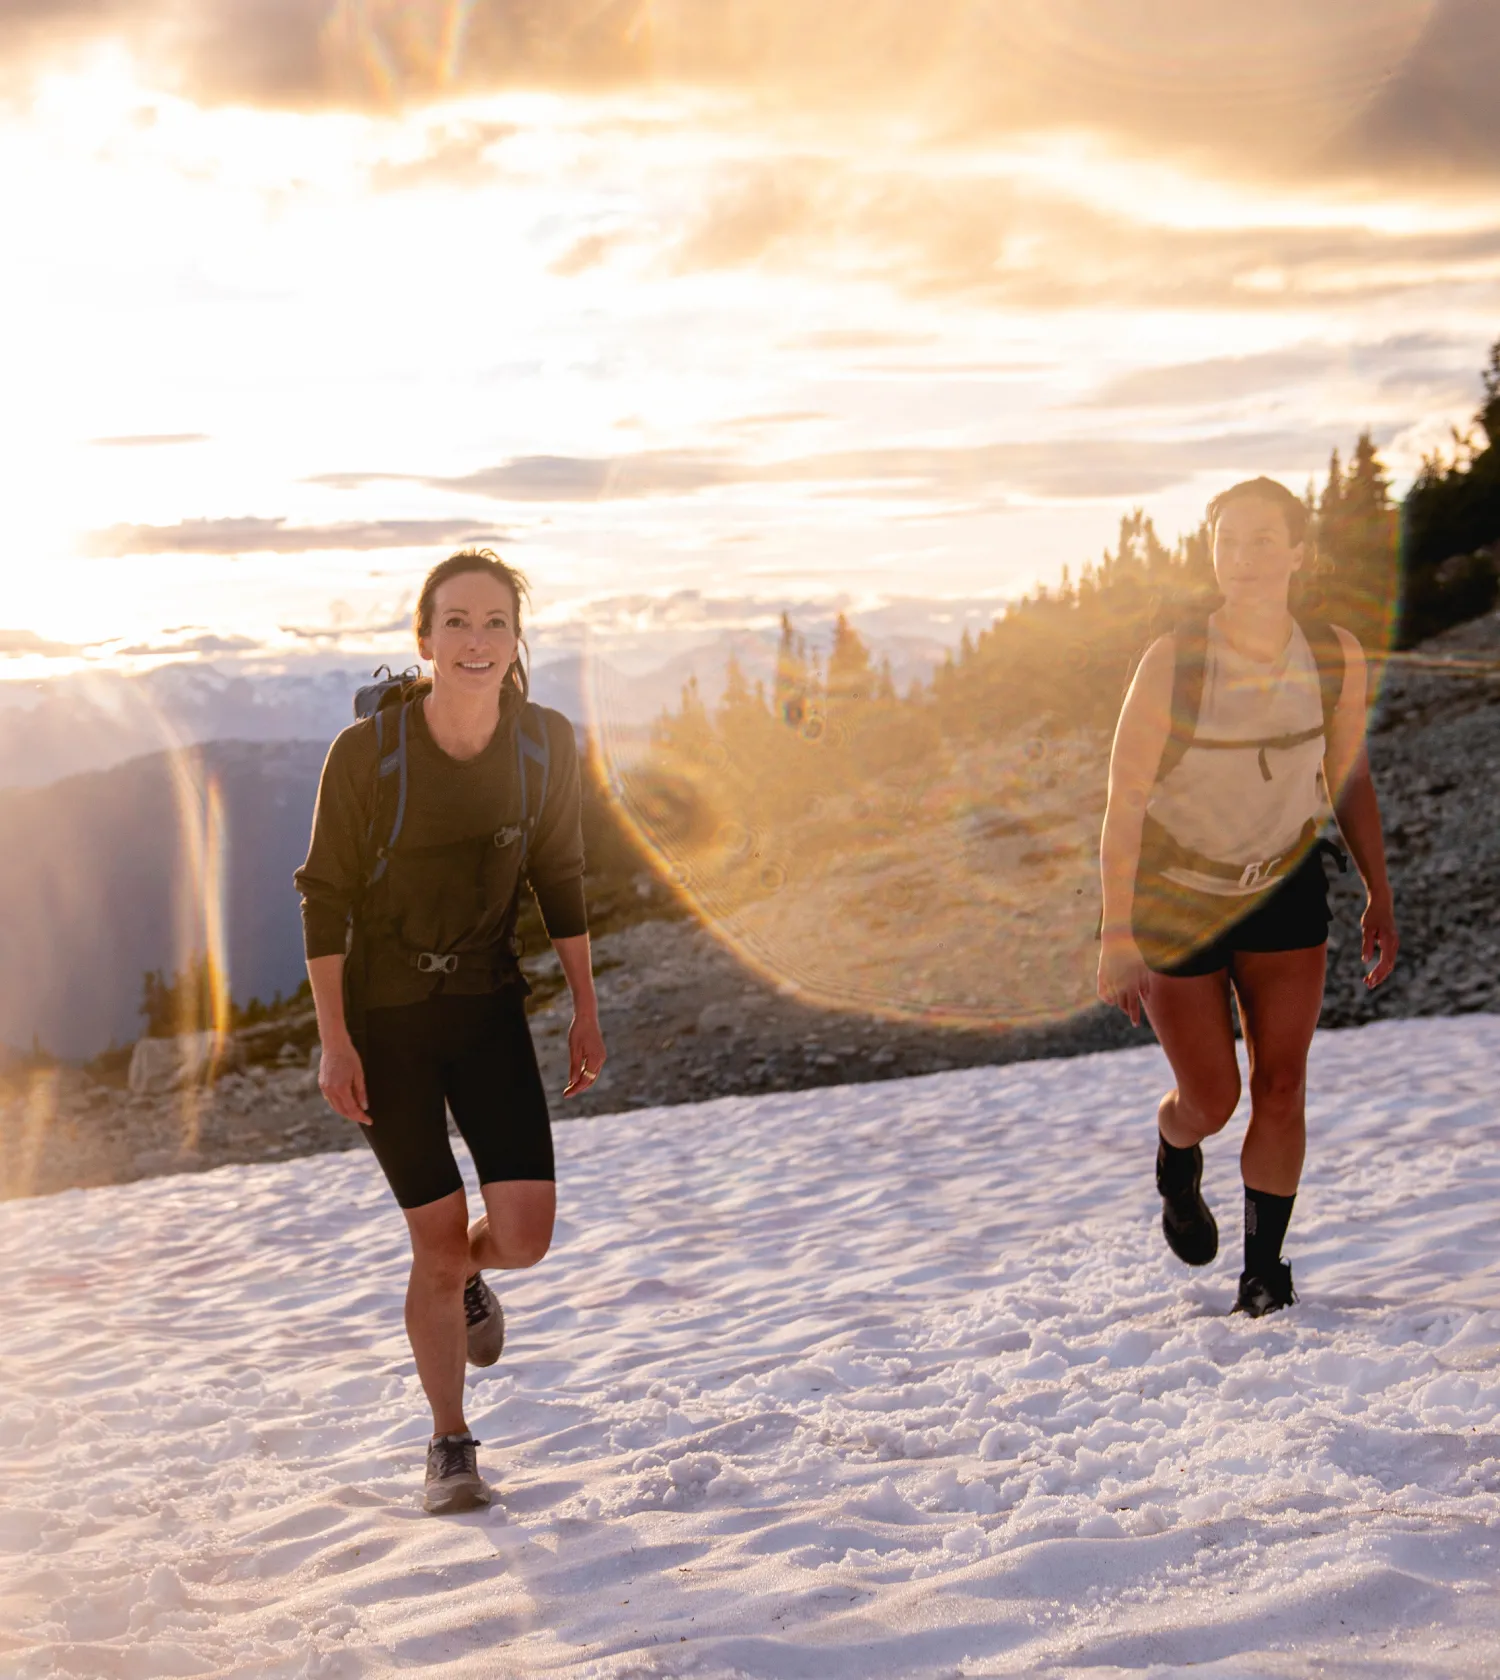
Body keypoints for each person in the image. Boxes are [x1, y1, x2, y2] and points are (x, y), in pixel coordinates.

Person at [295, 549, 606, 1512]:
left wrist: (586, 1003)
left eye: (496, 623)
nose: (477, 641)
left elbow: (560, 876)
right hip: (384, 1026)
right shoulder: (366, 756)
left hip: (487, 1009)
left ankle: (468, 1279)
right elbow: (324, 900)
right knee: (433, 1245)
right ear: (423, 639)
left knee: (522, 1236)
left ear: (517, 641)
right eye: (458, 622)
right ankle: (450, 1443)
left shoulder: (544, 745)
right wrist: (333, 1040)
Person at [1096, 478, 1397, 1316]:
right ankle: (1175, 1147)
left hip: (1284, 887)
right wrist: (1115, 933)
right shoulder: (1176, 661)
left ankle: (1265, 1270)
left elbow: (1350, 776)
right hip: (1179, 896)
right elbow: (1123, 799)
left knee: (1283, 1085)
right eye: (1229, 542)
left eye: (1266, 540)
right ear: (1212, 555)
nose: (1246, 559)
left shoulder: (1334, 654)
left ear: (1300, 552)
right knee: (1214, 1099)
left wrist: (1380, 887)